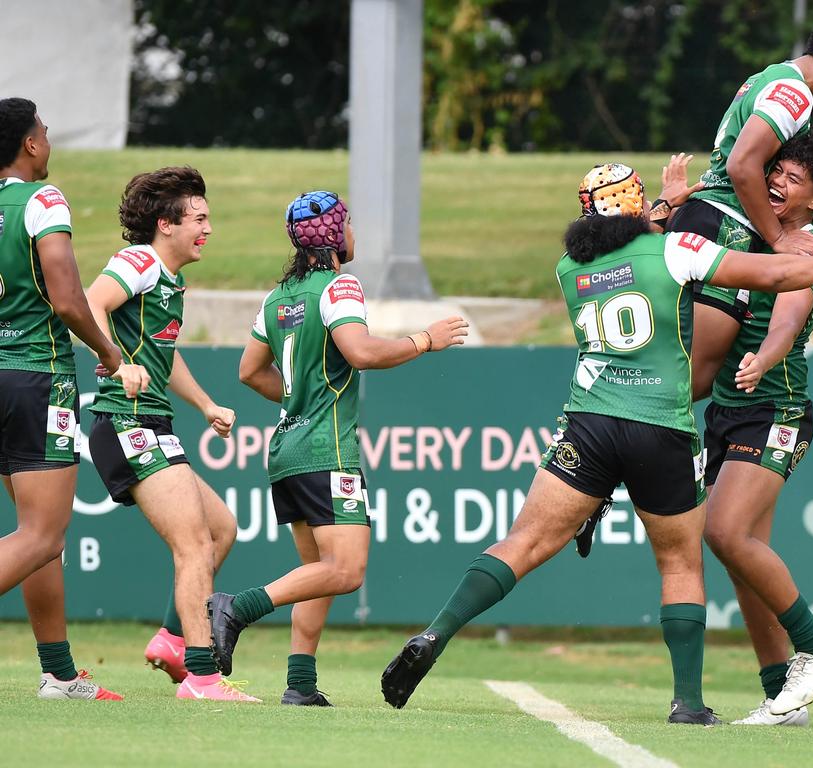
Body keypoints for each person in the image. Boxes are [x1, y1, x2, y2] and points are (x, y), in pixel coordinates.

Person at [379, 162, 813, 723]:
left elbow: (629, 234)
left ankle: (435, 633)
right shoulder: (677, 250)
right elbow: (771, 276)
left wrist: (664, 206)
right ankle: (689, 704)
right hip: (661, 426)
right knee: (680, 564)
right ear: (637, 203)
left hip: (589, 425)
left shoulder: (568, 266)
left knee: (523, 542)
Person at [207, 191, 468, 706]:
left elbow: (248, 371)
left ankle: (300, 685)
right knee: (345, 572)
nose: (354, 232)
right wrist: (425, 340)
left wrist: (297, 395)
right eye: (347, 222)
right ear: (332, 236)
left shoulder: (278, 297)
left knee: (317, 574)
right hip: (326, 451)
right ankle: (236, 608)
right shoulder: (340, 284)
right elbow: (361, 352)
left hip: (287, 450)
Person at [698, 132, 813, 725]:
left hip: (776, 409)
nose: (777, 182)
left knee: (725, 533)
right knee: (744, 555)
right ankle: (779, 696)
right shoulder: (764, 236)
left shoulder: (807, 250)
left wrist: (766, 355)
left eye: (794, 179)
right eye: (778, 170)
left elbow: (788, 315)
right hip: (728, 409)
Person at [85, 167, 253, 702]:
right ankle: (203, 679)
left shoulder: (169, 279)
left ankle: (171, 638)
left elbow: (163, 353)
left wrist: (205, 404)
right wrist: (112, 360)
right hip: (126, 422)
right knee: (194, 545)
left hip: (153, 423)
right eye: (199, 219)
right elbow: (89, 304)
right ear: (166, 224)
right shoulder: (138, 260)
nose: (208, 228)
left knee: (221, 529)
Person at [661, 17, 813, 400]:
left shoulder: (771, 76)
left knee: (676, 371)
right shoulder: (794, 95)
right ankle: (619, 449)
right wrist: (778, 238)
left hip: (702, 219)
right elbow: (741, 164)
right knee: (694, 380)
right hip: (723, 225)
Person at [0, 97, 128, 701]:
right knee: (44, 536)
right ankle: (60, 674)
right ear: (29, 145)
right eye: (45, 133)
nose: (48, 142)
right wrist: (109, 353)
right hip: (36, 376)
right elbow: (69, 299)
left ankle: (60, 673)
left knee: (35, 534)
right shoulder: (41, 201)